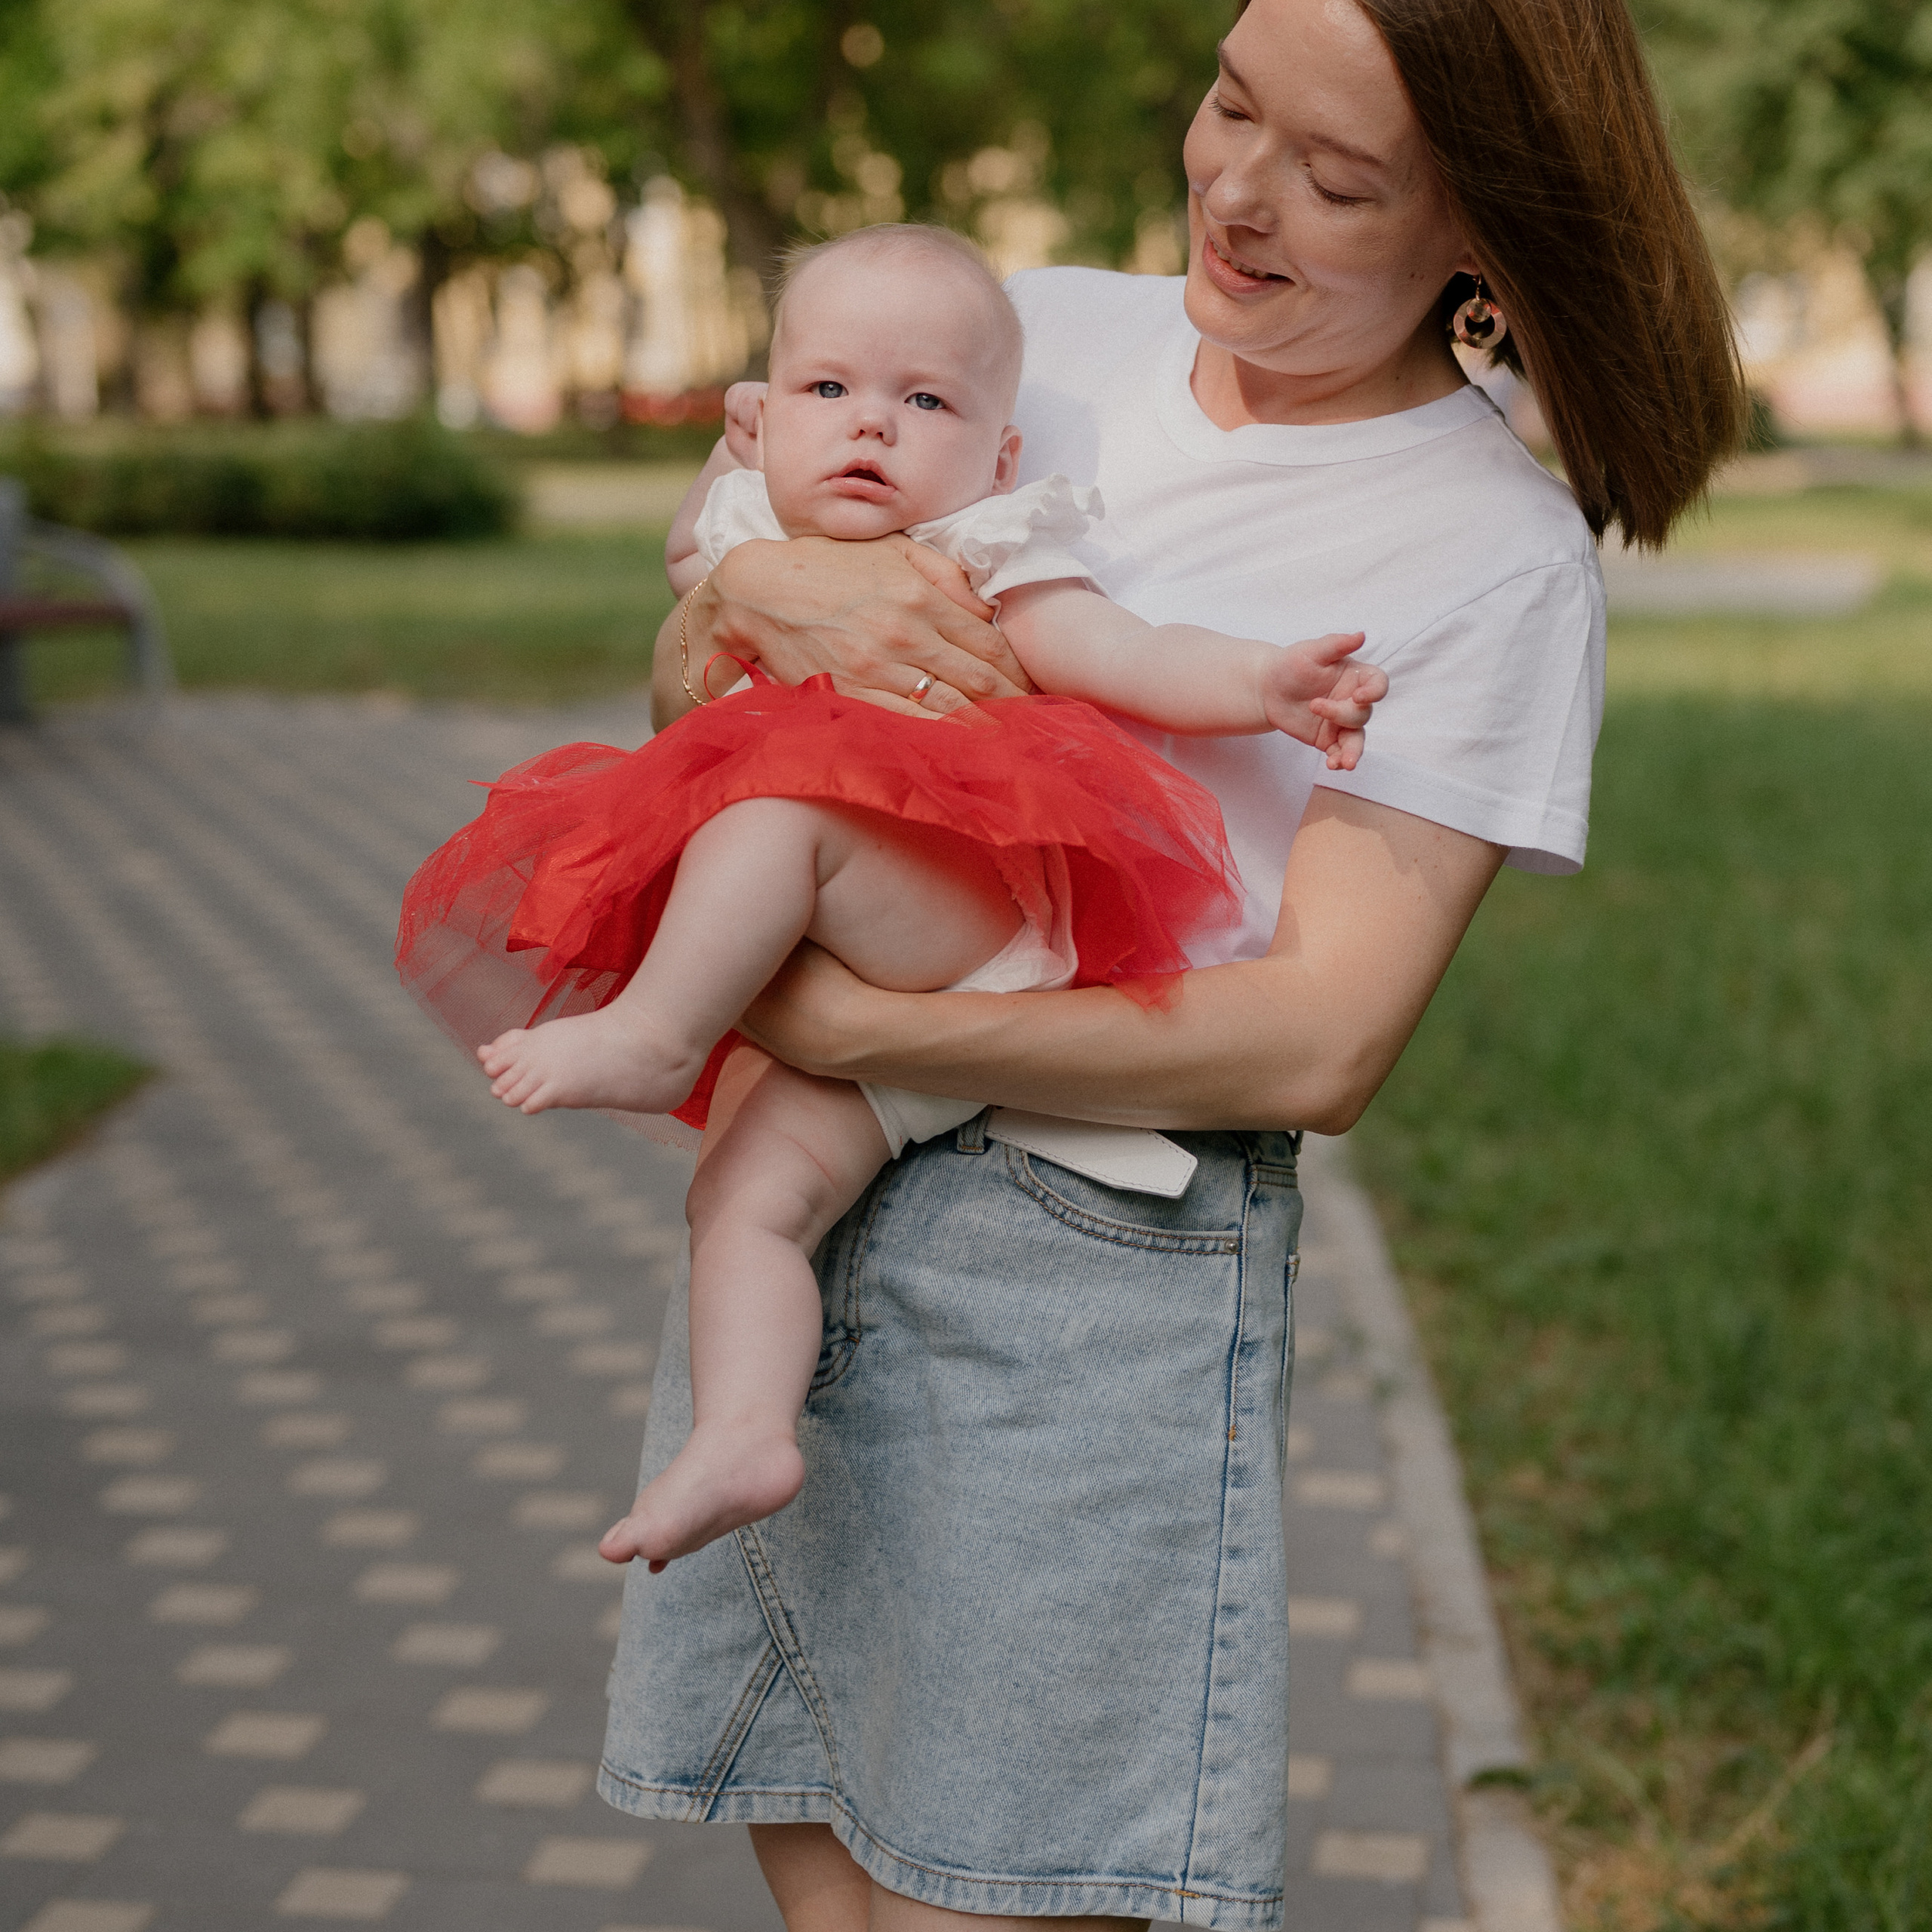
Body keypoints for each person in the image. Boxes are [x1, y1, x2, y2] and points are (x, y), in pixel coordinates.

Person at [598, 0, 1745, 1921]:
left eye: (1333, 173)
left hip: (1088, 1253)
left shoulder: (1484, 550)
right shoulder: (1037, 332)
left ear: (1476, 229)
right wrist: (744, 581)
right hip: (793, 1224)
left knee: (999, 1879)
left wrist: (852, 1021)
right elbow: (699, 666)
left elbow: (1317, 1042)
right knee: (812, 1839)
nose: (1233, 188)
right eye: (1228, 103)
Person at [396, 224, 1388, 1571]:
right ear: (760, 416)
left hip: (968, 924)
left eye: (923, 402)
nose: (870, 425)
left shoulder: (984, 545)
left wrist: (1263, 683)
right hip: (882, 998)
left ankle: (657, 1034)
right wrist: (736, 484)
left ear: (998, 458)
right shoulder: (749, 540)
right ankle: (745, 1432)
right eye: (826, 391)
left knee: (777, 803)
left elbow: (1123, 650)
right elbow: (693, 564)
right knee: (747, 1200)